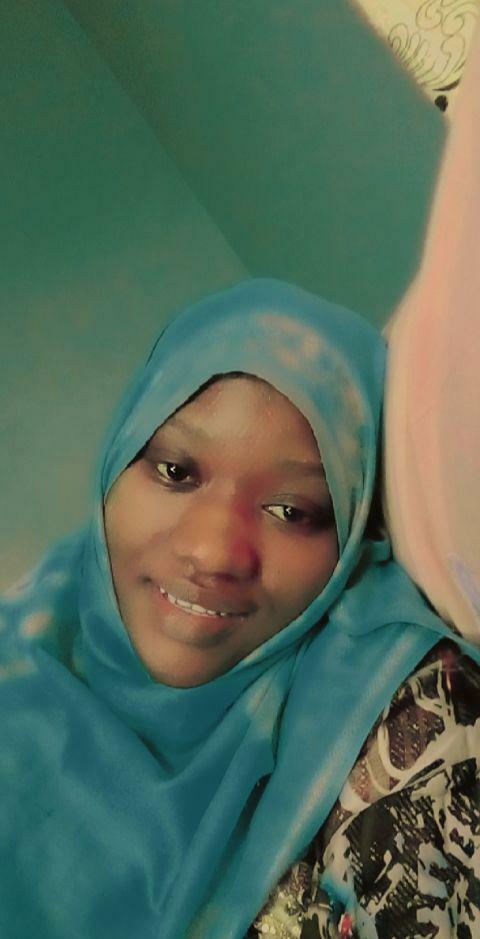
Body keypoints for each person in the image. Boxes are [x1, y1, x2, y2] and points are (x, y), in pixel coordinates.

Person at [0, 278, 478, 939]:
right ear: (117, 463)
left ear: (352, 540)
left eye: (291, 510)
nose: (213, 552)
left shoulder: (416, 720)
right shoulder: (26, 648)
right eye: (176, 471)